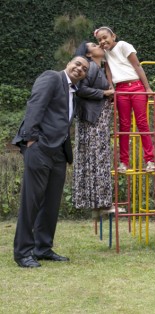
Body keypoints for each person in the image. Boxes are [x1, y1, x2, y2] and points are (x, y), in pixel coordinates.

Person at [12, 56, 89, 267]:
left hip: (59, 152)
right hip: (39, 147)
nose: (80, 69)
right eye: (77, 64)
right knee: (32, 201)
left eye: (84, 68)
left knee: (51, 203)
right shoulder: (52, 78)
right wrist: (30, 138)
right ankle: (23, 252)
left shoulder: (74, 91)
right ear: (68, 64)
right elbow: (36, 105)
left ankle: (42, 248)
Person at [94, 26, 155, 173]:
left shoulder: (123, 45)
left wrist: (147, 88)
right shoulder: (105, 54)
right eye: (99, 40)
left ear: (113, 36)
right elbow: (108, 70)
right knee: (124, 125)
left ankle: (150, 160)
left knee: (142, 123)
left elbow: (137, 65)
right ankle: (124, 162)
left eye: (105, 37)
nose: (103, 41)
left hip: (136, 86)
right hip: (121, 89)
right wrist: (111, 87)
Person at [72, 41, 115, 221]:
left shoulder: (99, 67)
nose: (99, 45)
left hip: (97, 120)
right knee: (98, 160)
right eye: (94, 45)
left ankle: (98, 204)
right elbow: (81, 89)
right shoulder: (90, 67)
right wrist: (105, 93)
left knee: (96, 161)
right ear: (89, 54)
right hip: (94, 121)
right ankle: (103, 203)